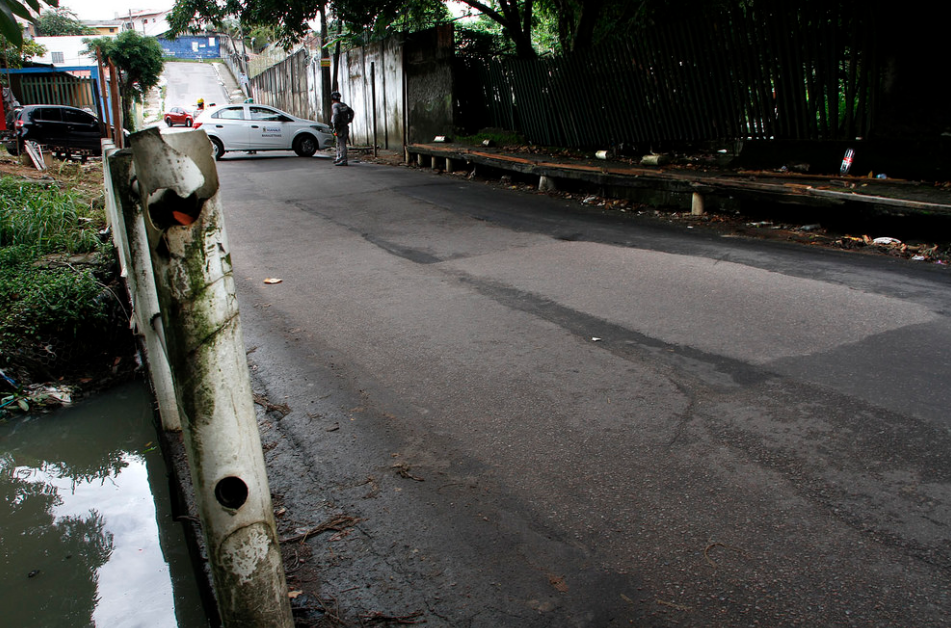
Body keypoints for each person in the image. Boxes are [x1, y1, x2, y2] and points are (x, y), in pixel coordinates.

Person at [330, 91, 352, 166]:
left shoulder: (335, 106)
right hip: (345, 126)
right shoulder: (344, 105)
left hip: (339, 127)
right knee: (339, 142)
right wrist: (349, 120)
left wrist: (335, 125)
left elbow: (336, 115)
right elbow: (351, 112)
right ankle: (339, 157)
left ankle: (343, 159)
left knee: (341, 143)